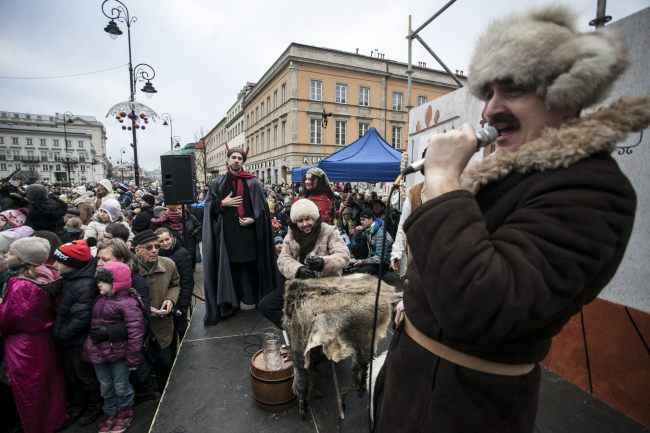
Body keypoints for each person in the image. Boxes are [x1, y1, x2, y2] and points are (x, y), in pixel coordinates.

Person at [372, 6, 643, 432]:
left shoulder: (595, 191)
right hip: (412, 389)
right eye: (489, 93)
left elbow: (480, 307)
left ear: (567, 95)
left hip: (464, 411)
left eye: (513, 89)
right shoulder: (503, 173)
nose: (491, 110)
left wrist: (443, 178)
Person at [202, 145, 279, 325]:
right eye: (234, 157)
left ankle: (255, 301)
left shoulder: (253, 182)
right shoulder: (217, 183)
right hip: (226, 237)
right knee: (231, 269)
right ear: (228, 160)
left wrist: (253, 219)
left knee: (251, 267)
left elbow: (263, 210)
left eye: (240, 158)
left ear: (243, 162)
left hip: (248, 236)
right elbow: (207, 207)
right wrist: (223, 203)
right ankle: (231, 304)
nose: (236, 160)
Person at [0, 237, 67, 433]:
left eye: (11, 253)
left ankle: (36, 426)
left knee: (29, 390)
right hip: (43, 339)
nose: (6, 256)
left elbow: (10, 318)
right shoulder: (50, 274)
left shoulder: (21, 285)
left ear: (23, 260)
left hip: (23, 345)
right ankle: (53, 421)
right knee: (49, 386)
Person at [258, 198, 350, 328]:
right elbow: (283, 258)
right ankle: (296, 330)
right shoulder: (291, 234)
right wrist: (298, 269)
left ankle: (315, 334)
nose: (304, 224)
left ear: (315, 218)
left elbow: (344, 256)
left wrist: (323, 263)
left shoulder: (329, 231)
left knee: (318, 315)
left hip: (326, 283)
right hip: (299, 282)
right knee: (266, 305)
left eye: (308, 219)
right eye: (300, 221)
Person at [83, 262, 145, 433]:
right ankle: (111, 413)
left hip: (119, 353)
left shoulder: (127, 303)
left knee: (121, 385)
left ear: (117, 282)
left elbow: (136, 330)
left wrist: (133, 356)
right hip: (99, 353)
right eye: (99, 281)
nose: (99, 284)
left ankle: (124, 413)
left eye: (104, 281)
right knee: (105, 386)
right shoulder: (100, 298)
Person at [52, 238, 103, 426]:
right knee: (74, 376)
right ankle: (79, 405)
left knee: (84, 376)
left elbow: (81, 317)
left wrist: (61, 334)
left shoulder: (84, 284)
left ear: (72, 264)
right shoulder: (71, 279)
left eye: (60, 261)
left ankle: (94, 406)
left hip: (77, 341)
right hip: (70, 339)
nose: (56, 265)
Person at [132, 230, 179, 392]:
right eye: (149, 247)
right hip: (140, 328)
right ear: (138, 249)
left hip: (162, 325)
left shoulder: (168, 264)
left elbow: (175, 284)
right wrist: (143, 308)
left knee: (165, 363)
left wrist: (170, 299)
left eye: (157, 246)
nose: (154, 250)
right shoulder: (129, 269)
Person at [155, 227, 194, 340]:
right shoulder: (157, 255)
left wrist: (183, 305)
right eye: (161, 241)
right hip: (164, 299)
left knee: (181, 330)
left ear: (172, 238)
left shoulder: (183, 254)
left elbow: (187, 281)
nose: (165, 243)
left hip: (179, 300)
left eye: (167, 239)